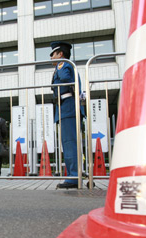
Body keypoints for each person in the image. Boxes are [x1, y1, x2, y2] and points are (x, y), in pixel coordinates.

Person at [50, 41, 84, 189]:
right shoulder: (68, 65)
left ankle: (74, 176)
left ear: (60, 54)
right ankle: (74, 174)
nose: (51, 57)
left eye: (53, 54)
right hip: (67, 107)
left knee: (69, 143)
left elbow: (64, 78)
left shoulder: (63, 65)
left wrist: (59, 67)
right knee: (70, 143)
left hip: (68, 107)